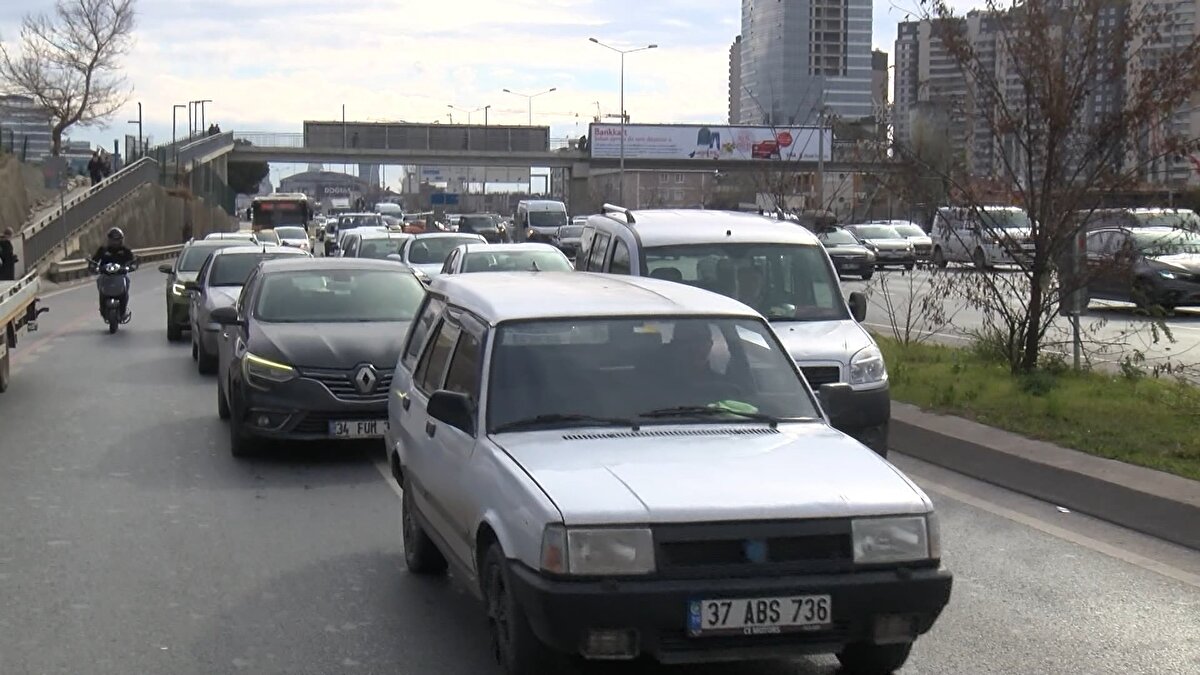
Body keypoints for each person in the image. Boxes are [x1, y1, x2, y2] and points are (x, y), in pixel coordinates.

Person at [89, 228, 138, 319]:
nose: (115, 242)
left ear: (121, 240)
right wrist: (93, 266)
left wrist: (131, 266)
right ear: (109, 240)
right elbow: (94, 260)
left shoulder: (125, 250)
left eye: (117, 240)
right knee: (99, 280)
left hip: (120, 274)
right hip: (105, 275)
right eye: (113, 240)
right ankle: (103, 306)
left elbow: (132, 261)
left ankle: (123, 310)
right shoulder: (103, 250)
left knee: (126, 281)